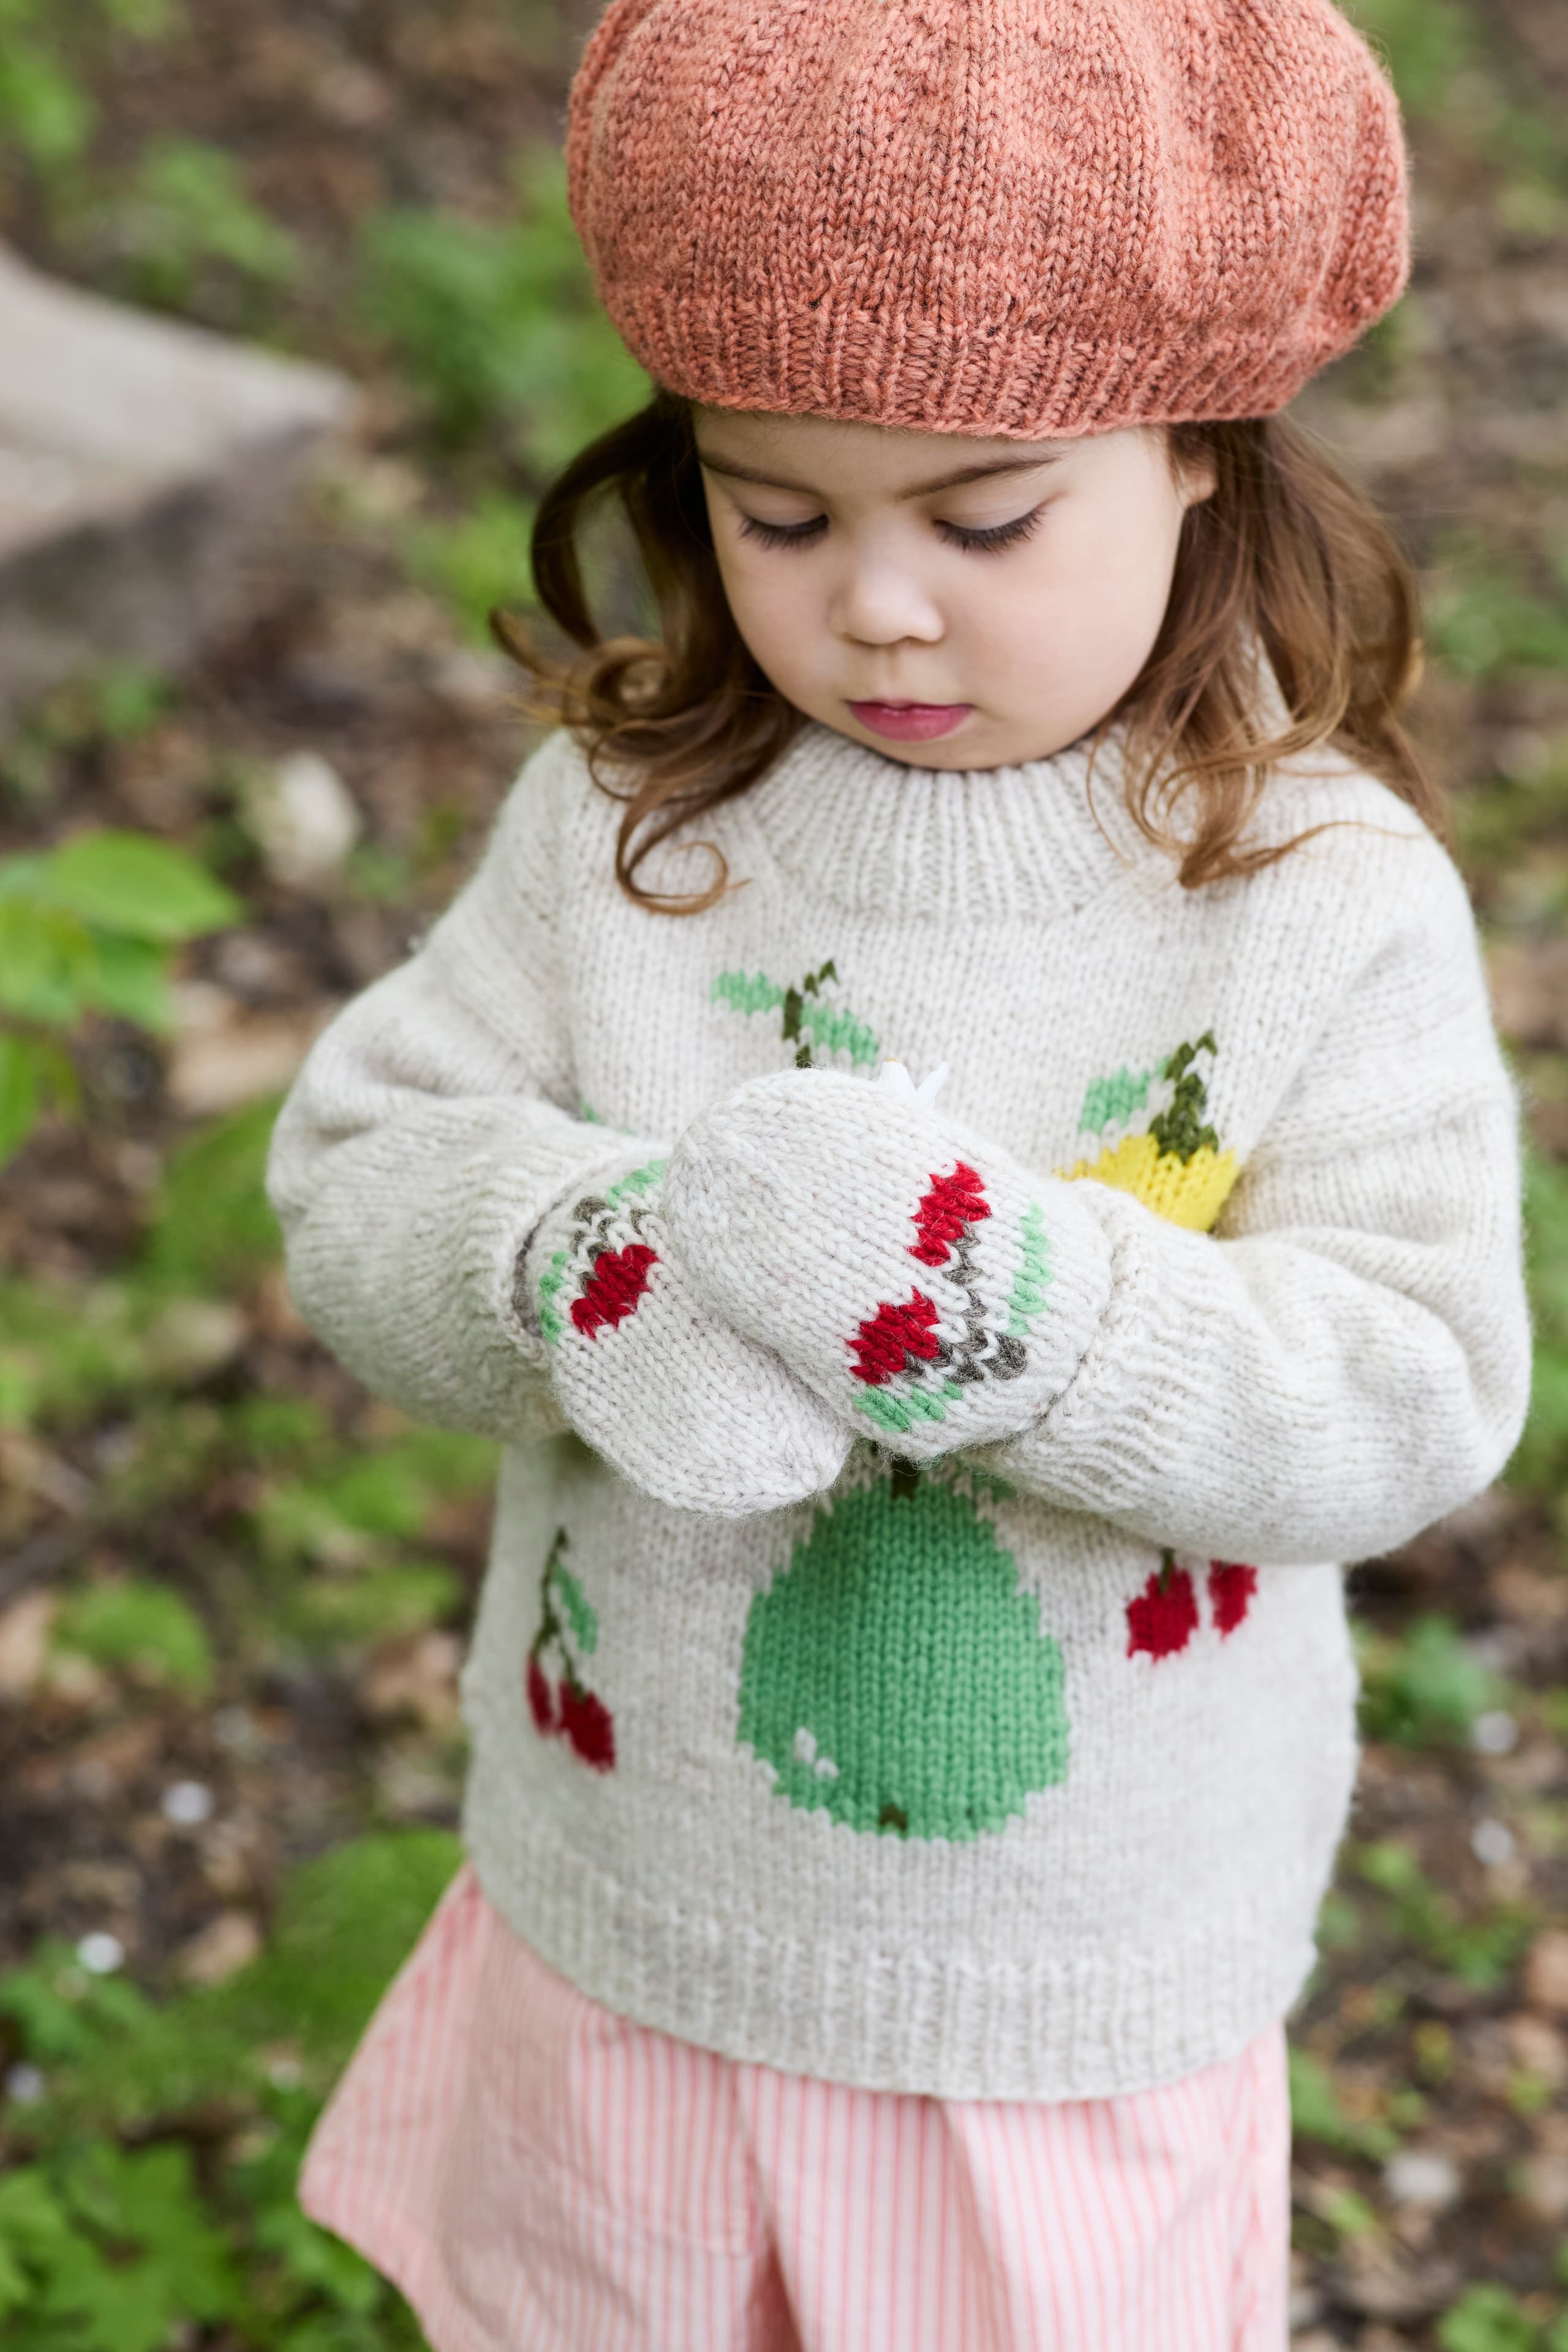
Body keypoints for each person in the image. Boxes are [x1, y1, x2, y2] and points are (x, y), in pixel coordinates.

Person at [266, 0, 1532, 2343]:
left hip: (1067, 2003)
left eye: (984, 517)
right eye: (779, 513)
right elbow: (365, 1167)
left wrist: (1000, 1307)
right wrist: (594, 1268)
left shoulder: (1315, 897)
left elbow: (1412, 1383)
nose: (877, 602)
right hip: (631, 1929)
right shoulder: (634, 825)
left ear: (1199, 452)